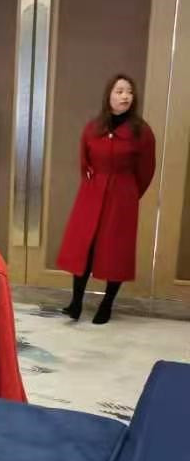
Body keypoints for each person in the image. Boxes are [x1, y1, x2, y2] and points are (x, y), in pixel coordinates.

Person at [57, 74, 156, 324]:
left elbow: (146, 171)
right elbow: (84, 161)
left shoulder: (142, 131)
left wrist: (129, 193)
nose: (125, 96)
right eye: (119, 91)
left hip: (122, 195)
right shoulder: (93, 127)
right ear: (109, 95)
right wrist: (93, 183)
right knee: (85, 246)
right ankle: (76, 303)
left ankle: (107, 304)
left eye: (129, 92)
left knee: (116, 250)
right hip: (92, 192)